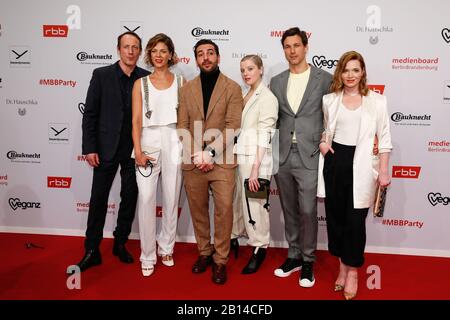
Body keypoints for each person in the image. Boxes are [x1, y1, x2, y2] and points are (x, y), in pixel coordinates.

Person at [317, 51, 392, 300]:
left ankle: (353, 272)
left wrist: (383, 170)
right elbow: (327, 129)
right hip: (335, 163)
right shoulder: (330, 99)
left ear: (363, 73)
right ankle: (341, 265)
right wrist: (324, 144)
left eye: (355, 70)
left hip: (362, 167)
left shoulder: (377, 101)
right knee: (336, 220)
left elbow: (384, 139)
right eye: (346, 70)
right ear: (340, 73)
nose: (350, 75)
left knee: (355, 222)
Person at [76, 31, 150, 272]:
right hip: (105, 149)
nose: (130, 51)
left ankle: (120, 243)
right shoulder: (101, 75)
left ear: (140, 51)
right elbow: (90, 114)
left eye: (135, 47)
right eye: (126, 46)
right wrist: (89, 148)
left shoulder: (145, 78)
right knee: (98, 199)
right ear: (118, 49)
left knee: (129, 199)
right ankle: (91, 249)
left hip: (133, 150)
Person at [270, 27, 332, 287]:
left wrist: (325, 140)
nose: (292, 50)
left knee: (308, 211)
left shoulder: (325, 79)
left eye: (297, 45)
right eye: (287, 46)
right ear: (283, 49)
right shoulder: (276, 81)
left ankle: (308, 260)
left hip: (310, 152)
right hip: (283, 153)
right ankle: (293, 256)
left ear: (306, 47)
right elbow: (273, 119)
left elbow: (332, 115)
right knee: (289, 209)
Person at [177, 39, 243, 285]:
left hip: (222, 161)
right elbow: (182, 126)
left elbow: (233, 126)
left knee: (224, 211)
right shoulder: (186, 89)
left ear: (218, 56)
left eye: (210, 53)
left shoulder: (233, 88)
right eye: (201, 54)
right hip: (193, 161)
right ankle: (204, 253)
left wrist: (210, 153)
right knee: (198, 211)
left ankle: (220, 260)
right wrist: (197, 153)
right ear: (195, 59)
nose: (206, 57)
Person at [131, 33, 183, 277]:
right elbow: (136, 120)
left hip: (174, 140)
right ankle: (147, 255)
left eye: (163, 50)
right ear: (149, 55)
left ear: (171, 54)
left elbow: (187, 119)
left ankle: (167, 248)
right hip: (148, 142)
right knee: (147, 197)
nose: (159, 55)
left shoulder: (182, 82)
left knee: (172, 197)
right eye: (154, 51)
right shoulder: (140, 83)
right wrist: (138, 151)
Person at [231, 55, 278, 274]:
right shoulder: (243, 94)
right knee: (241, 203)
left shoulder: (267, 97)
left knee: (257, 206)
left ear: (261, 69)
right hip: (241, 157)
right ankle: (237, 237)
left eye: (250, 68)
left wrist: (256, 168)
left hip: (258, 161)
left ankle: (260, 247)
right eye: (242, 70)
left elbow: (266, 134)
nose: (246, 73)